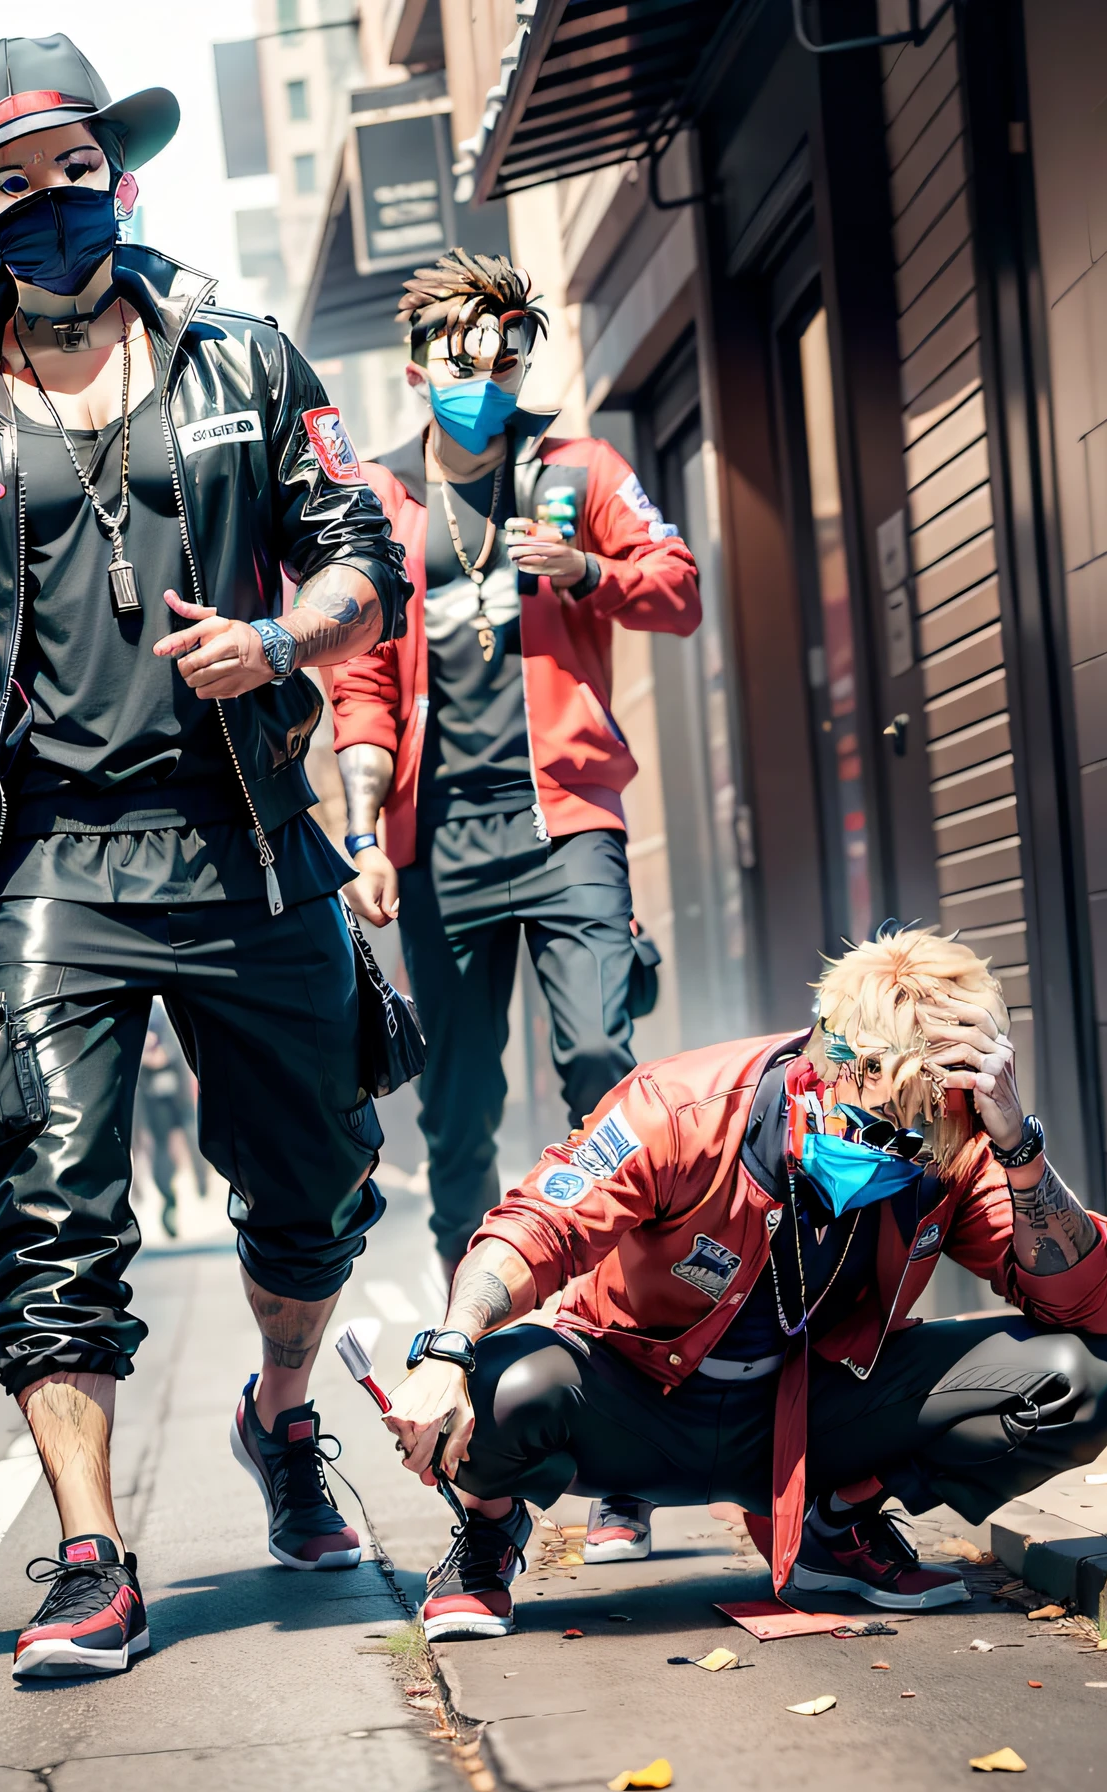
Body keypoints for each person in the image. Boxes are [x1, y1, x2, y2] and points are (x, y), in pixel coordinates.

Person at [0, 33, 409, 1682]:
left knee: (317, 1186)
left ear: (118, 176)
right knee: (47, 1209)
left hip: (249, 842)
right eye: (13, 185)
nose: (53, 207)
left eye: (75, 174)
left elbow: (357, 557)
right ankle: (88, 1551)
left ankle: (280, 1416)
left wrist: (276, 639)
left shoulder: (245, 362)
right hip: (37, 859)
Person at [381, 927, 1107, 1640]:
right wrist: (446, 1351)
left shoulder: (949, 1143)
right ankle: (488, 1530)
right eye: (881, 1131)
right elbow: (537, 1224)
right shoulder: (679, 1108)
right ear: (833, 1067)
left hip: (806, 1412)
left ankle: (835, 1526)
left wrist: (1018, 1148)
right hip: (641, 1402)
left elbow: (1082, 1306)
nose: (900, 1156)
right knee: (489, 1382)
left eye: (920, 1140)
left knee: (1081, 1377)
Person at [329, 250, 701, 1296]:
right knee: (455, 1105)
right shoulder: (378, 494)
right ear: (413, 367)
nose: (483, 378)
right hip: (440, 839)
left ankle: (634, 1290)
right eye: (459, 357)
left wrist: (590, 570)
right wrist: (365, 836)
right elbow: (359, 682)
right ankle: (475, 1315)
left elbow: (677, 589)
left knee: (596, 1057)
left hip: (568, 818)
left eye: (505, 357)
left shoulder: (577, 468)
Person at [135, 1004, 196, 1239]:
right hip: (151, 1100)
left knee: (188, 1140)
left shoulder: (163, 1012)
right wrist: (145, 1058)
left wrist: (165, 1053)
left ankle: (193, 1187)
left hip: (177, 1097)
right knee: (161, 1151)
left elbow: (180, 1047)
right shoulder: (135, 1009)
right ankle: (168, 1198)